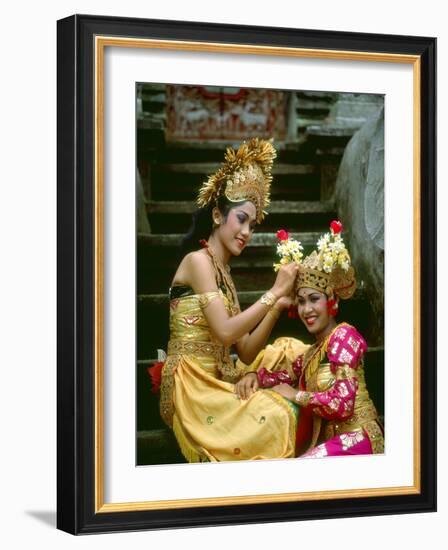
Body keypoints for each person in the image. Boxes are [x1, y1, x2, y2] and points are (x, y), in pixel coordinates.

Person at [159, 138, 307, 462]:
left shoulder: (223, 273)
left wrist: (277, 305)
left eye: (252, 225)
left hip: (221, 373)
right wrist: (274, 292)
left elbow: (246, 349)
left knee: (288, 352)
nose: (246, 232)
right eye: (241, 219)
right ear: (217, 215)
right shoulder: (198, 261)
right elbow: (225, 333)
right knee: (278, 414)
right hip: (193, 384)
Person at [252, 221, 384, 457]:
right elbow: (281, 377)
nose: (307, 309)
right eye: (301, 301)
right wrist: (253, 377)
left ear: (331, 300)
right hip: (332, 444)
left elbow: (343, 404)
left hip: (358, 439)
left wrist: (296, 395)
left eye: (314, 299)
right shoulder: (312, 353)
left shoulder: (344, 336)